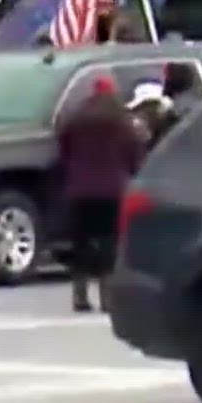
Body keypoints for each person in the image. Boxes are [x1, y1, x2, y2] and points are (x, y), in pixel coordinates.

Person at [54, 76, 143, 313]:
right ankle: (107, 298)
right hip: (113, 192)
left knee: (81, 243)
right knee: (110, 243)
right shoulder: (122, 120)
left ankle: (80, 295)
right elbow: (134, 153)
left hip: (80, 191)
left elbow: (63, 150)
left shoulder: (75, 118)